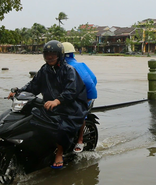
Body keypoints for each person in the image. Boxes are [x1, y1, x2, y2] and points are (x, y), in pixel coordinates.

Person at [7, 40, 88, 169]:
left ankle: (60, 153)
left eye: (53, 54)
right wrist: (18, 92)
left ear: (60, 55)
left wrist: (57, 101)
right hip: (51, 105)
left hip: (71, 105)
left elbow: (71, 90)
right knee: (33, 118)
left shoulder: (69, 70)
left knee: (61, 127)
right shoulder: (44, 69)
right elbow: (33, 85)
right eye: (47, 54)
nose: (50, 57)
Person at [62, 42, 97, 153]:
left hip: (80, 99)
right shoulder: (55, 67)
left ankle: (80, 140)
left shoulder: (75, 66)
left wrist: (85, 99)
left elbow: (90, 83)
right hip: (65, 98)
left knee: (79, 113)